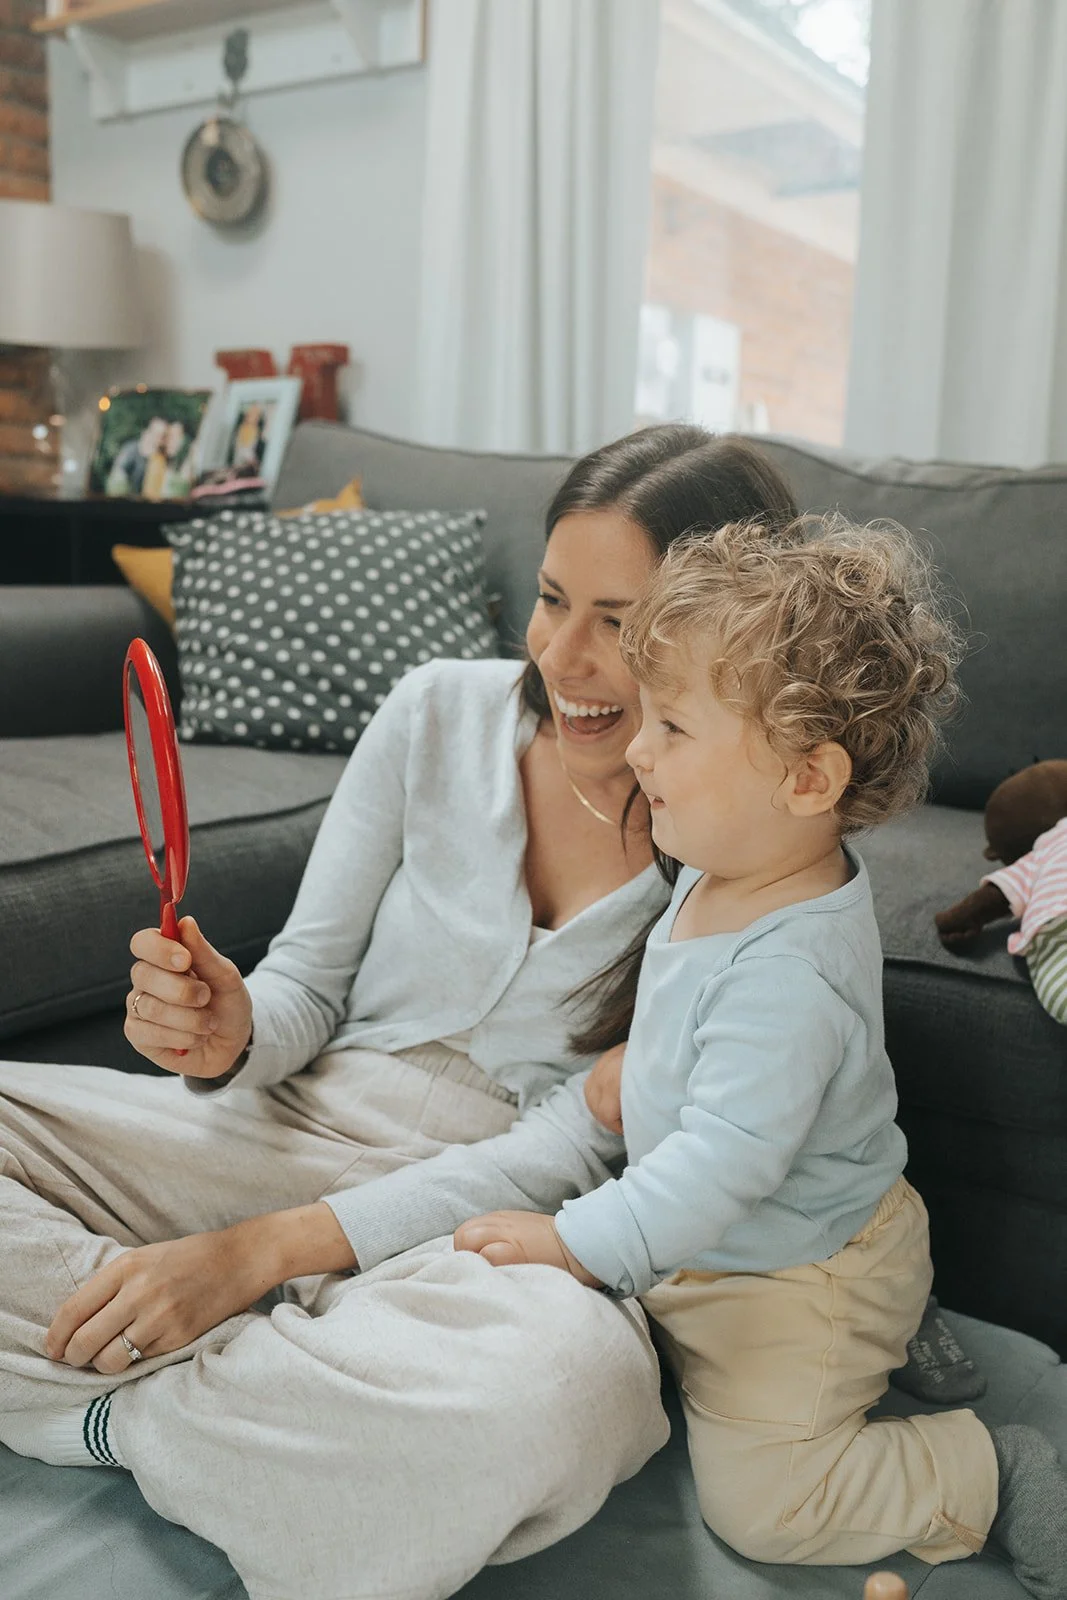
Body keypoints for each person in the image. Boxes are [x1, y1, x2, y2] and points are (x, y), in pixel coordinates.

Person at [0, 425, 798, 1600]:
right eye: (549, 599)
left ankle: (122, 1407)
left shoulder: (745, 828)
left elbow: (575, 1145)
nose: (563, 654)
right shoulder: (433, 709)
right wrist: (230, 1030)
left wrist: (257, 1254)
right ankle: (273, 1399)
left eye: (619, 623)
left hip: (505, 1212)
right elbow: (306, 988)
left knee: (574, 1400)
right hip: (290, 1121)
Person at [455, 516, 1067, 1599]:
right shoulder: (735, 862)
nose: (637, 749)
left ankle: (981, 1465)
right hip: (761, 1228)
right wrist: (640, 1072)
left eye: (675, 728)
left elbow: (720, 1168)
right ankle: (898, 1312)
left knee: (764, 1508)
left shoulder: (788, 973)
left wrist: (569, 1241)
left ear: (803, 779)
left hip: (795, 1274)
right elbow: (707, 1058)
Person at [105, 415, 167, 497]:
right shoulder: (130, 450)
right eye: (156, 433)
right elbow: (117, 477)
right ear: (146, 431)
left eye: (162, 435)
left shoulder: (159, 459)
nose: (158, 438)